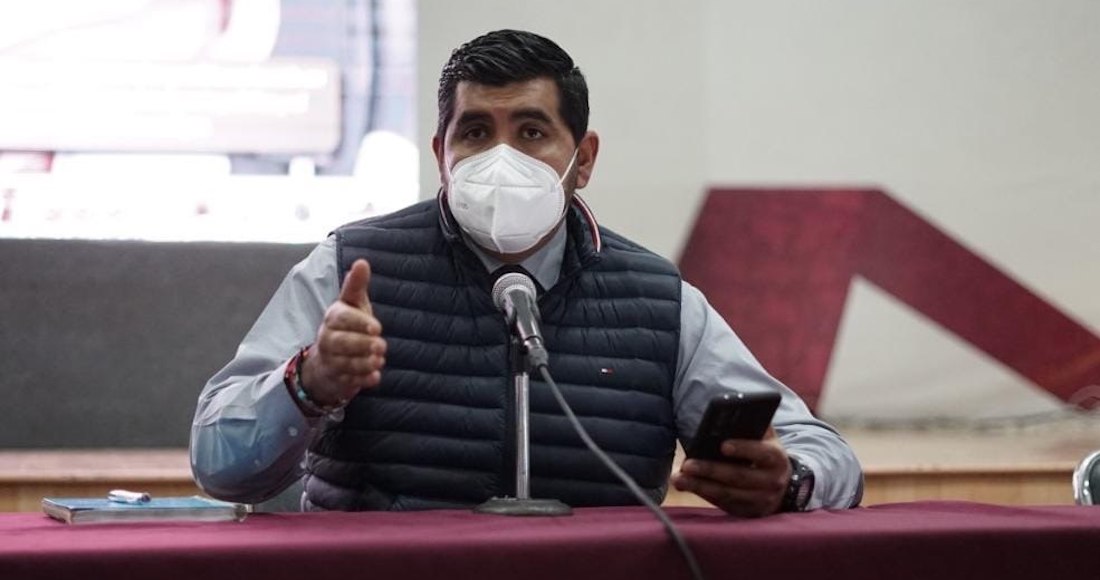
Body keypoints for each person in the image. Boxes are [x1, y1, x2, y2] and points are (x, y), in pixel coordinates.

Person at [190, 29, 863, 516]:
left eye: (532, 132)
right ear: (441, 153)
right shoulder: (350, 270)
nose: (501, 156)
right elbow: (218, 465)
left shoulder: (657, 300)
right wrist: (308, 384)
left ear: (584, 158)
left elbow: (825, 455)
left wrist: (789, 482)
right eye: (476, 132)